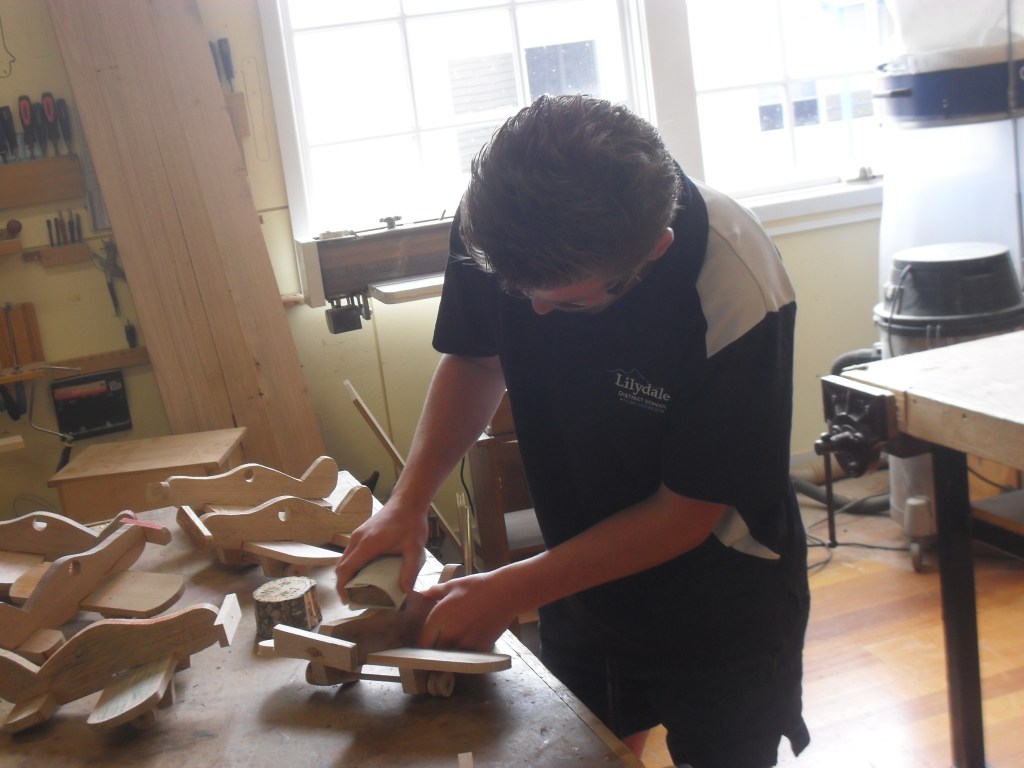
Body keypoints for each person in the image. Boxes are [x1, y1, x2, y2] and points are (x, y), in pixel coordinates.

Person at [336, 94, 810, 768]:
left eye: (567, 302)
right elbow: (477, 358)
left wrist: (509, 589)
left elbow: (688, 510)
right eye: (520, 292)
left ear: (653, 252)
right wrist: (407, 503)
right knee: (588, 752)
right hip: (576, 579)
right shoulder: (497, 226)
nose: (533, 313)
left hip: (720, 603)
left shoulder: (731, 280)